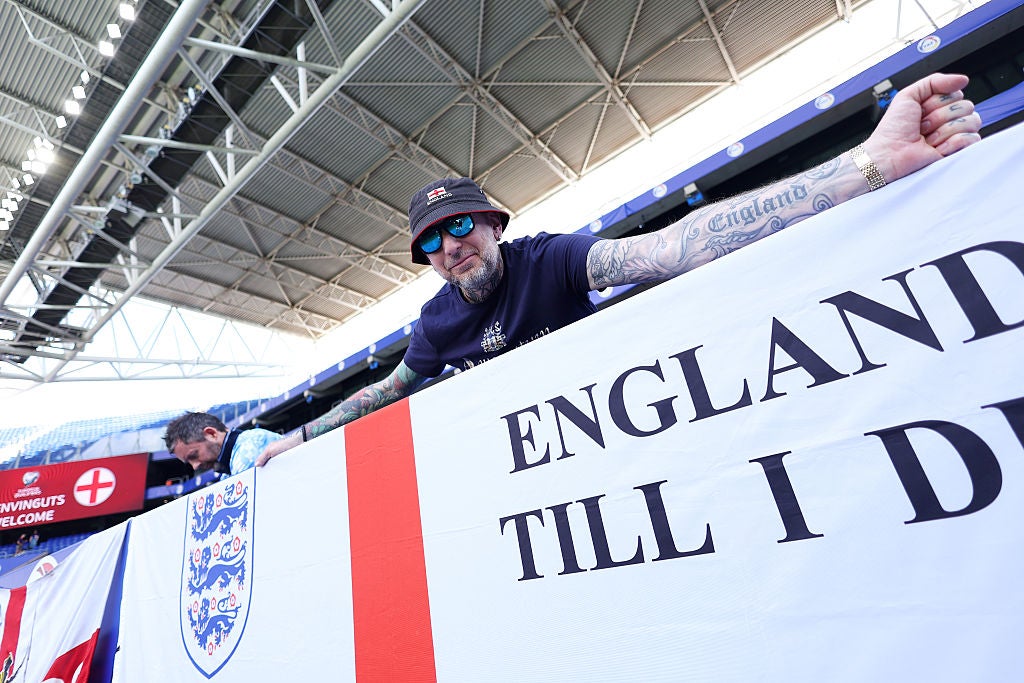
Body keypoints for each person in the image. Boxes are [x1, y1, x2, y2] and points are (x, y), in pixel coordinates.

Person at [257, 72, 982, 468]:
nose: (451, 245)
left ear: (494, 225)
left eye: (461, 224)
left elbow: (668, 250)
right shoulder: (437, 323)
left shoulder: (552, 258)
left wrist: (868, 167)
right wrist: (294, 442)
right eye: (432, 242)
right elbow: (387, 392)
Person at [165, 411, 281, 476]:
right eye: (189, 462)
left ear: (212, 434)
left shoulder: (249, 448)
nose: (195, 466)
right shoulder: (228, 467)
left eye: (194, 455)